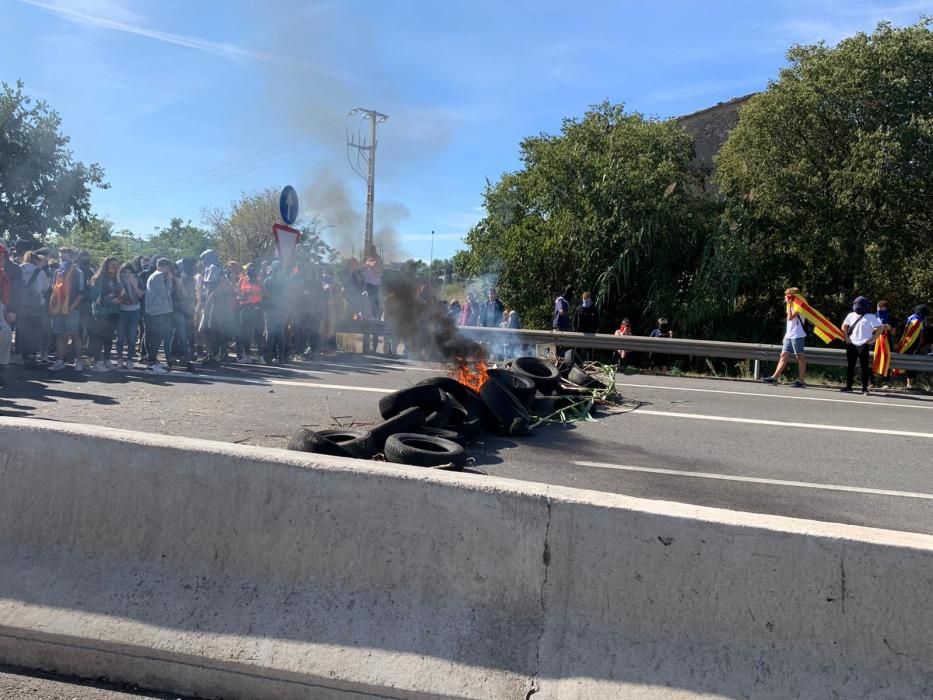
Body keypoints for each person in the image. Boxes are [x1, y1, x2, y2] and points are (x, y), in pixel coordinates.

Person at [47, 247, 85, 371]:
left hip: (72, 309)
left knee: (74, 335)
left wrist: (71, 308)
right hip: (58, 309)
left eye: (65, 256)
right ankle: (60, 360)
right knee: (59, 335)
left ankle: (78, 360)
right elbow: (53, 290)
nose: (62, 259)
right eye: (61, 256)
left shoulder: (78, 272)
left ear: (72, 257)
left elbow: (81, 293)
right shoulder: (57, 272)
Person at [762, 288, 807, 387]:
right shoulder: (789, 305)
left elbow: (791, 317)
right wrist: (786, 334)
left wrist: (790, 304)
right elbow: (789, 322)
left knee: (799, 356)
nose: (786, 297)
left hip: (798, 334)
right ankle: (774, 378)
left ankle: (802, 381)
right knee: (783, 355)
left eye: (788, 295)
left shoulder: (800, 305)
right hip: (789, 335)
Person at [840, 295, 886, 395]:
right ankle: (849, 387)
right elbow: (844, 326)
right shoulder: (851, 315)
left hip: (863, 344)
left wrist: (873, 339)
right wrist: (846, 338)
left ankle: (864, 389)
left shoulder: (870, 316)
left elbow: (880, 328)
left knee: (864, 368)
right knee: (851, 367)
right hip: (852, 343)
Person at [88, 256, 122, 372]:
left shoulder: (116, 279)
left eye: (117, 265)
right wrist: (110, 301)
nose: (115, 267)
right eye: (112, 265)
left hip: (114, 311)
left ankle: (107, 360)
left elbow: (122, 292)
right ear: (106, 265)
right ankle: (97, 362)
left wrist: (118, 278)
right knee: (100, 337)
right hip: (101, 312)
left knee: (109, 337)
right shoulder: (99, 279)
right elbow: (95, 296)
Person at [17, 250, 50, 368]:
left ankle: (21, 354)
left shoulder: (19, 268)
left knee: (21, 331)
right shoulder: (39, 272)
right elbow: (46, 288)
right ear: (36, 260)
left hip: (20, 306)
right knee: (34, 331)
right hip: (36, 307)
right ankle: (31, 355)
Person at [145, 258, 174, 374]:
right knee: (157, 338)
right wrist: (169, 281)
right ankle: (151, 363)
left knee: (157, 337)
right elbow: (165, 294)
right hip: (159, 311)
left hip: (159, 311)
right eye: (168, 268)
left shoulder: (155, 275)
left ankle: (153, 361)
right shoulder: (158, 276)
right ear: (164, 267)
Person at [115, 262, 143, 369]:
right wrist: (118, 278)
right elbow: (120, 293)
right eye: (123, 272)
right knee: (120, 337)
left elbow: (140, 295)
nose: (126, 274)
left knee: (132, 337)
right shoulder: (118, 281)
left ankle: (130, 359)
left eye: (128, 272)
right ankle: (120, 359)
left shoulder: (137, 279)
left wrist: (133, 284)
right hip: (121, 311)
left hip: (134, 311)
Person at [0, 239, 21, 383]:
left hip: (4, 308)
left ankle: (2, 368)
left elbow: (16, 291)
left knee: (6, 336)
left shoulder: (13, 269)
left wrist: (12, 310)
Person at [236, 263, 264, 363]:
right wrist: (243, 297)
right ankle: (247, 356)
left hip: (257, 309)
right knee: (245, 334)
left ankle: (261, 356)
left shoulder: (259, 280)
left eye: (252, 269)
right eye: (248, 269)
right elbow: (237, 293)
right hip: (245, 309)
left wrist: (256, 294)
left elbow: (265, 293)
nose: (250, 271)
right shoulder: (242, 280)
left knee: (259, 333)